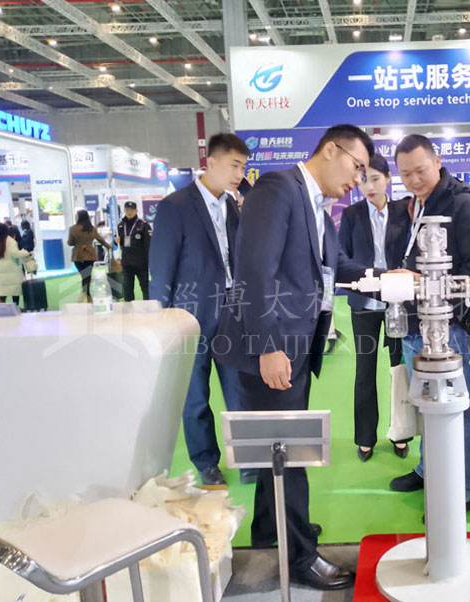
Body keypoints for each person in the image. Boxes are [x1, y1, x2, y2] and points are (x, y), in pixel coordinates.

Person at [214, 124, 386, 590]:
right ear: (331, 150)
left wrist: (386, 277)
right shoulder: (278, 188)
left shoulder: (316, 206)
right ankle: (300, 558)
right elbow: (254, 271)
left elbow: (336, 267)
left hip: (297, 348)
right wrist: (268, 346)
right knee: (287, 453)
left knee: (278, 447)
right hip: (270, 349)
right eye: (356, 167)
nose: (358, 180)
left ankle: (271, 530)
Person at [387, 134, 470, 514]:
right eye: (405, 174)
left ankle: (460, 489)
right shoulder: (413, 205)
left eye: (420, 170)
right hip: (412, 322)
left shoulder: (464, 206)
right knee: (424, 404)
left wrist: (425, 284)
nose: (414, 179)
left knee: (458, 407)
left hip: (449, 327)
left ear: (438, 162)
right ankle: (427, 469)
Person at [149, 133, 250, 487]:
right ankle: (207, 462)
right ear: (211, 161)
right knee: (195, 396)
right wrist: (161, 321)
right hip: (190, 316)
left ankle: (247, 457)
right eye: (234, 165)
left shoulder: (232, 206)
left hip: (233, 313)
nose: (239, 174)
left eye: (243, 167)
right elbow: (161, 268)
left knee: (240, 389)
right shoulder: (175, 206)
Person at [338, 153, 411, 462]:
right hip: (364, 306)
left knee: (400, 370)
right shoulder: (351, 215)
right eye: (364, 180)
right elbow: (343, 259)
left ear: (388, 179)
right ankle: (365, 437)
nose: (369, 186)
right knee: (364, 372)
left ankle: (401, 431)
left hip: (398, 304)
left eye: (376, 179)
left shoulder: (403, 212)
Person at [68, 210, 111, 303]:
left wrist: (78, 242)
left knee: (84, 276)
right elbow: (100, 240)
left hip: (77, 255)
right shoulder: (92, 229)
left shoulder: (72, 229)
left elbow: (70, 242)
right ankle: (87, 295)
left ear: (79, 217)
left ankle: (85, 295)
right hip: (90, 255)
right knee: (87, 276)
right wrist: (109, 246)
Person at [115, 201, 151, 301]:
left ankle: (149, 306)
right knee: (127, 288)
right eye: (127, 209)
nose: (129, 212)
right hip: (127, 263)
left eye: (131, 210)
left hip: (141, 263)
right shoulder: (121, 226)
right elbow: (119, 242)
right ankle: (128, 308)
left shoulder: (143, 225)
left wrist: (149, 261)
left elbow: (148, 245)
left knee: (145, 287)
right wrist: (116, 241)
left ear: (136, 211)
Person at [0, 223, 30, 305]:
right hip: (12, 271)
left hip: (0, 272)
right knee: (14, 292)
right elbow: (15, 254)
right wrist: (25, 252)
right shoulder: (10, 241)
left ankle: (0, 308)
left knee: (3, 293)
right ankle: (15, 307)